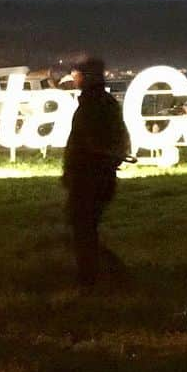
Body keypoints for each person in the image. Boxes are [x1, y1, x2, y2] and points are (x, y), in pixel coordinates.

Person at [62, 57, 130, 289]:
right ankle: (102, 273)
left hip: (89, 176)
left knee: (82, 227)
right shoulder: (104, 103)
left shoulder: (93, 106)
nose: (74, 78)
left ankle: (94, 277)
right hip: (96, 175)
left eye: (77, 74)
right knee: (85, 227)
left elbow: (85, 143)